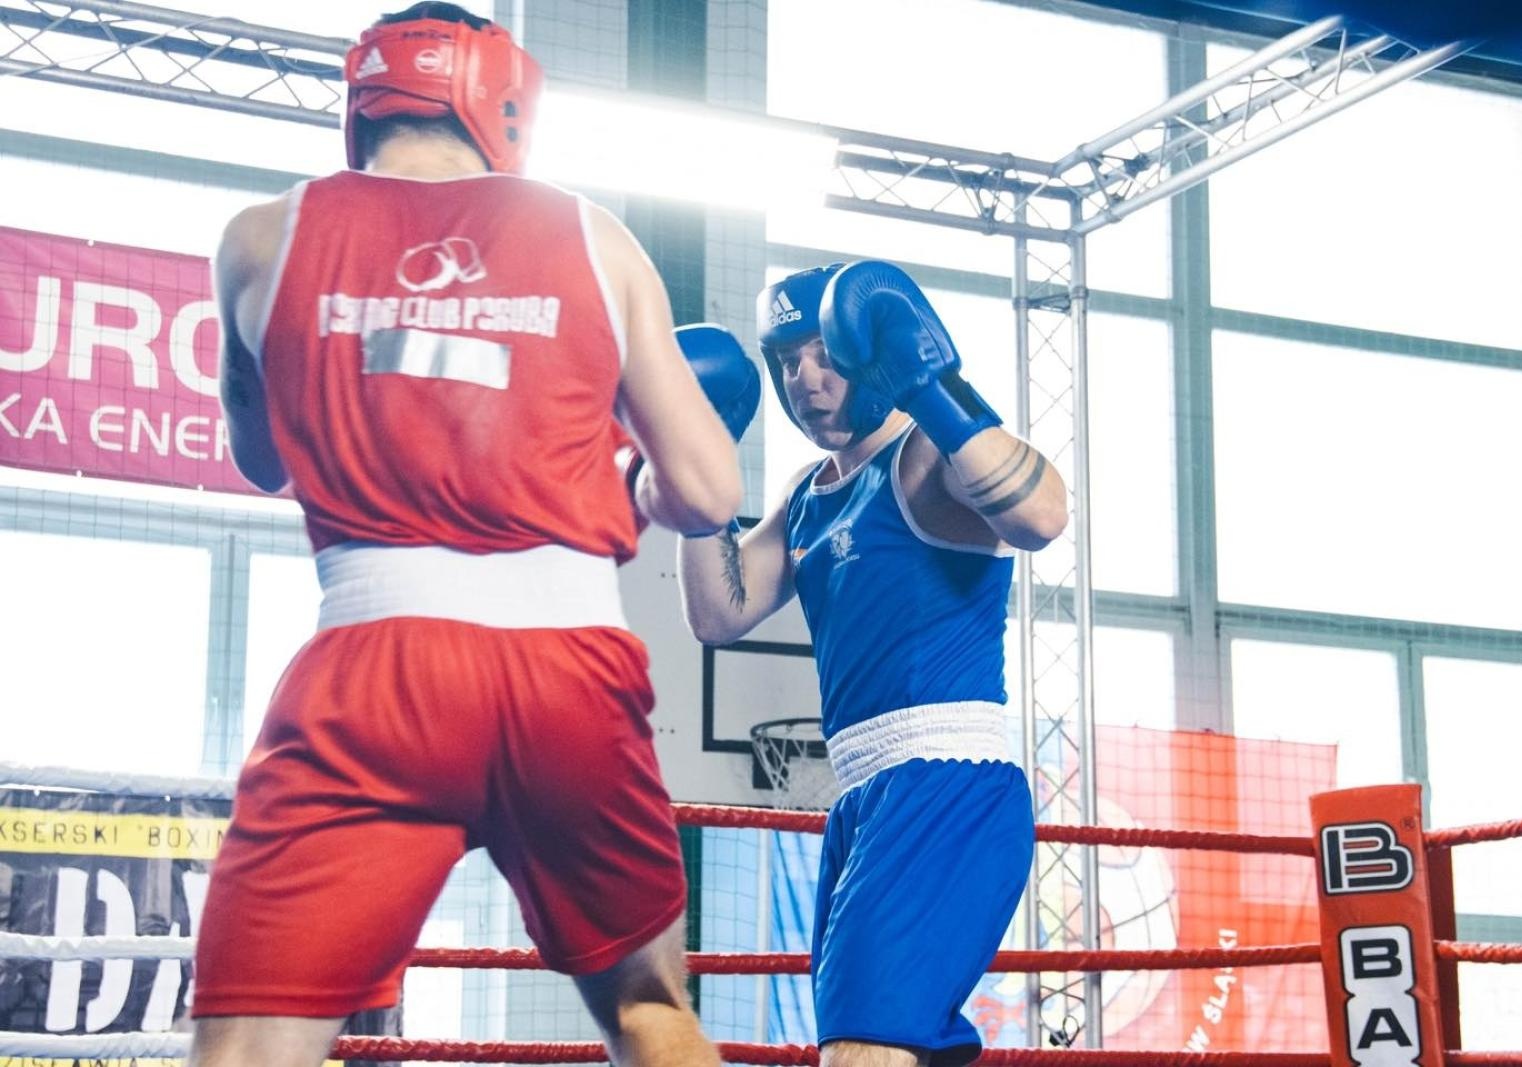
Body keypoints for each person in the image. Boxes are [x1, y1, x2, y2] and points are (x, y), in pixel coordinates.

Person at [191, 5, 748, 1066]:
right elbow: (709, 493)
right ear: (505, 101)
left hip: (372, 672)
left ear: (363, 100)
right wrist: (627, 471)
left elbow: (261, 461)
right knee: (648, 1004)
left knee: (248, 1042)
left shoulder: (260, 238)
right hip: (568, 670)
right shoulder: (594, 235)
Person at [677, 260, 1068, 1066]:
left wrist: (933, 386)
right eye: (787, 361)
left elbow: (1043, 514)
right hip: (863, 797)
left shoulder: (927, 452)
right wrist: (699, 464)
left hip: (944, 782)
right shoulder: (809, 494)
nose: (804, 379)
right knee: (882, 1045)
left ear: (871, 350)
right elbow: (719, 613)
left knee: (862, 1046)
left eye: (824, 354)